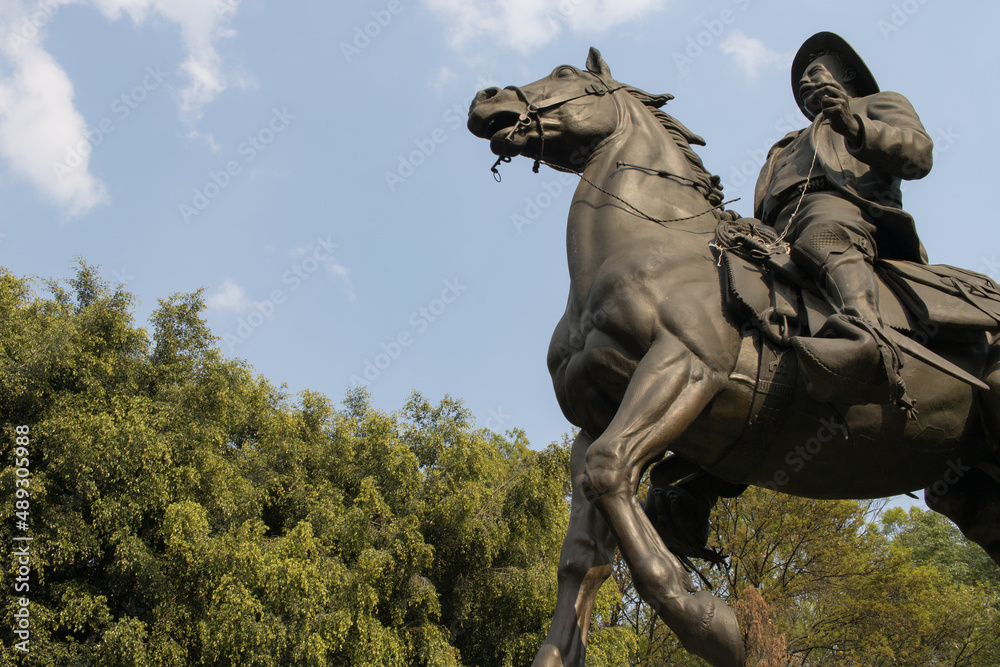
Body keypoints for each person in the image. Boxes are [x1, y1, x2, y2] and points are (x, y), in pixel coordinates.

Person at [754, 31, 934, 407]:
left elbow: (919, 155)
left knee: (823, 234)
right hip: (776, 228)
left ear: (847, 77)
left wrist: (854, 126)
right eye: (802, 79)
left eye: (815, 72)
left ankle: (866, 338)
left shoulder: (877, 104)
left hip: (843, 207)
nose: (805, 81)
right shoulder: (785, 144)